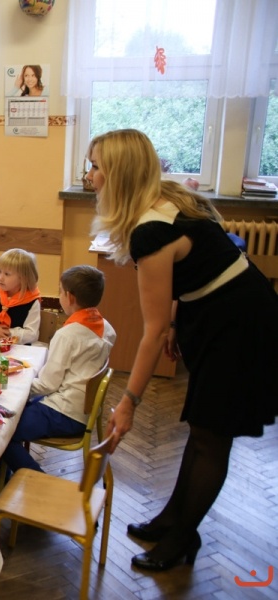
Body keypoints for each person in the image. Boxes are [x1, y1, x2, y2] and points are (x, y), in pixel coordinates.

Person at [88, 129, 278, 572]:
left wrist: (129, 402)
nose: (90, 175)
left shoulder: (151, 231)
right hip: (219, 309)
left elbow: (151, 333)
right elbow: (194, 272)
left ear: (118, 173)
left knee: (213, 436)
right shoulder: (169, 198)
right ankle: (173, 518)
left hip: (241, 325)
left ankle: (181, 539)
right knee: (202, 425)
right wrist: (179, 321)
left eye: (96, 166)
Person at [1, 265, 116, 473]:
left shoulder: (68, 335)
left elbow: (47, 385)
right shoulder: (107, 328)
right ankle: (3, 475)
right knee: (15, 409)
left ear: (69, 297)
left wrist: (14, 387)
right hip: (83, 408)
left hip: (65, 413)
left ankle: (36, 479)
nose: (60, 295)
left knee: (3, 432)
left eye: (60, 291)